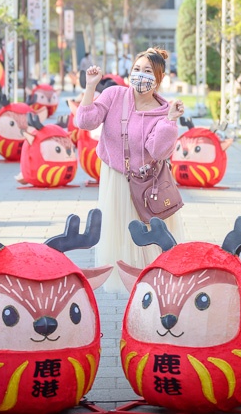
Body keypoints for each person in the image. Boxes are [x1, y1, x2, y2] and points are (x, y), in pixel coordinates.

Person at [75, 47, 186, 292]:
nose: (140, 75)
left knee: (149, 239)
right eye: (137, 69)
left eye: (147, 71)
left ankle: (154, 285)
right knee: (119, 236)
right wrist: (91, 87)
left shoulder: (161, 111)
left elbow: (158, 150)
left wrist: (170, 120)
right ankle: (131, 286)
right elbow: (85, 122)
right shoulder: (114, 95)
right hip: (115, 180)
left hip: (147, 184)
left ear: (159, 79)